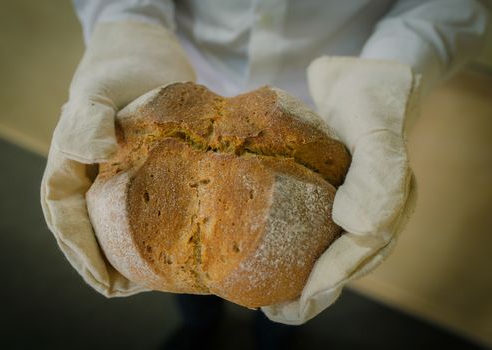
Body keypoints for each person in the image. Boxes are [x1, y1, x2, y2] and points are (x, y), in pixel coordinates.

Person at [40, 1, 489, 349]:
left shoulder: (340, 131)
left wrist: (387, 80)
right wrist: (126, 33)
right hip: (170, 80)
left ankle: (274, 339)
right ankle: (198, 325)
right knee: (175, 276)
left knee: (304, 268)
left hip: (334, 105)